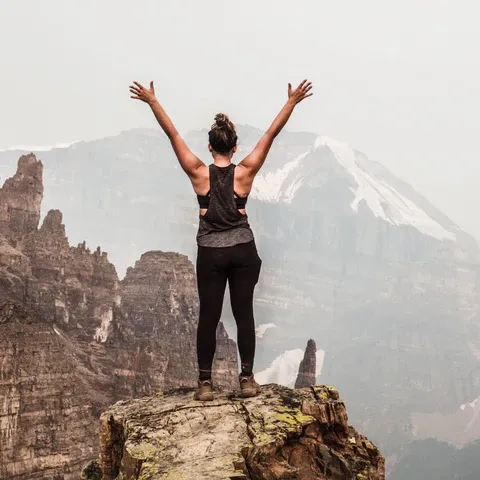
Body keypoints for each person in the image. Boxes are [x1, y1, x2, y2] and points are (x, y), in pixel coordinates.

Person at [129, 79, 313, 400]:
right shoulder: (245, 173)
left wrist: (152, 101)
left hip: (211, 254)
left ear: (211, 147)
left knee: (209, 316)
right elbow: (271, 134)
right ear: (235, 147)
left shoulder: (199, 173)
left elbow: (173, 135)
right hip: (243, 251)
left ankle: (205, 384)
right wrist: (291, 102)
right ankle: (246, 379)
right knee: (244, 314)